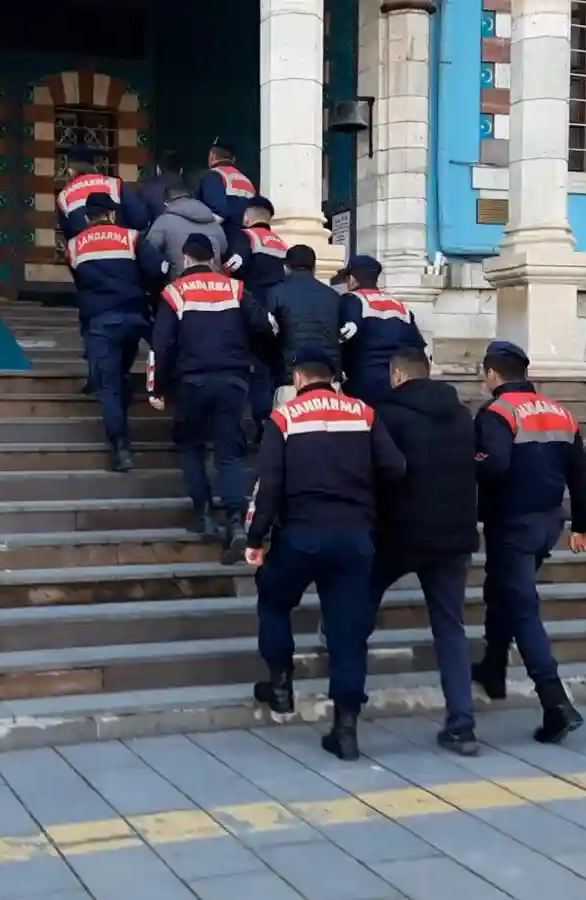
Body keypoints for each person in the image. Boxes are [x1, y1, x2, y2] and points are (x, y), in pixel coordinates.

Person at [244, 350, 407, 760]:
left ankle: (280, 684)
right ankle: (346, 729)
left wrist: (256, 537)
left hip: (300, 534)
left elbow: (270, 484)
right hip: (354, 536)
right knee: (348, 632)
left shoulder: (284, 418)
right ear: (333, 378)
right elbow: (395, 468)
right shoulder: (364, 412)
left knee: (274, 599)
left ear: (298, 379)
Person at [473, 340, 586, 744]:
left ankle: (555, 703)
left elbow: (494, 465)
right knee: (503, 591)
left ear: (492, 374)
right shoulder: (560, 412)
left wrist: (467, 466)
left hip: (512, 525)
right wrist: (583, 524)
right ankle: (492, 667)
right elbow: (581, 472)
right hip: (549, 524)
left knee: (522, 608)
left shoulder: (497, 412)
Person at [368, 345, 482, 755]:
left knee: (360, 606)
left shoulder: (388, 416)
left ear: (397, 376)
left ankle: (346, 705)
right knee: (450, 628)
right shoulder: (461, 415)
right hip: (454, 535)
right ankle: (462, 724)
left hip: (401, 534)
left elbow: (379, 472)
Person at [149, 234, 272, 560]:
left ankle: (203, 514)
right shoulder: (236, 288)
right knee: (229, 454)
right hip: (233, 379)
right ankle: (236, 523)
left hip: (191, 382)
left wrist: (156, 387)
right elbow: (263, 325)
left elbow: (161, 345)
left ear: (186, 258)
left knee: (191, 447)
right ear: (213, 257)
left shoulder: (174, 292)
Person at [66, 192, 148, 473]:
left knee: (109, 386)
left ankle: (121, 449)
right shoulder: (132, 237)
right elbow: (152, 270)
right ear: (112, 214)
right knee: (121, 372)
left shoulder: (74, 245)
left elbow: (79, 280)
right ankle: (125, 398)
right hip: (134, 317)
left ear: (87, 217)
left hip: (100, 322)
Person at [223, 196, 288, 435]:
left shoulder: (246, 237)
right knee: (274, 370)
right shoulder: (281, 243)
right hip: (280, 313)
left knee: (257, 371)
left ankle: (262, 423)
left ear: (248, 217)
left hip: (254, 312)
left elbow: (234, 265)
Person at [263, 245, 349, 407]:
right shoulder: (333, 296)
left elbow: (268, 333)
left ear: (285, 267)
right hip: (329, 381)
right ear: (314, 267)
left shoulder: (275, 293)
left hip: (292, 381)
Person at [340, 255, 427, 404]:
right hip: (399, 383)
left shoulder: (349, 300)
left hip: (362, 386)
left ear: (353, 279)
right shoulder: (400, 306)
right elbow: (417, 347)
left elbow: (341, 337)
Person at [141, 184, 228, 286]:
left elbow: (149, 254)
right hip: (215, 285)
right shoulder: (213, 222)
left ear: (166, 203)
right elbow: (224, 249)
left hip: (180, 286)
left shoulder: (164, 221)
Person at [57, 147, 150, 240]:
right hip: (120, 246)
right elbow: (140, 219)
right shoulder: (115, 184)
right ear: (93, 166)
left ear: (71, 171)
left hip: (85, 250)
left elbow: (69, 234)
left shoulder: (64, 196)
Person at [196, 138, 256, 252]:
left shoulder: (213, 175)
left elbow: (218, 211)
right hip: (245, 243)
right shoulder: (247, 181)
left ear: (212, 156)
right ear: (233, 159)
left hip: (225, 241)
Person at [138, 151, 185, 219]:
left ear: (158, 169)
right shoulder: (192, 191)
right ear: (181, 170)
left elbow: (140, 220)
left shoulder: (147, 189)